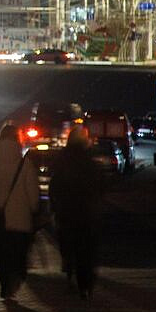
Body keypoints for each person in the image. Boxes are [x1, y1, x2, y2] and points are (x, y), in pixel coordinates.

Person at [0, 121, 40, 301]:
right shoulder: (24, 164)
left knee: (2, 254)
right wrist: (33, 208)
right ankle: (16, 280)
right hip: (21, 219)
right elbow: (33, 193)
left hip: (0, 217)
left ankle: (5, 286)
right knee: (19, 253)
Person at [47, 124, 107, 297]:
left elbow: (54, 185)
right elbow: (100, 185)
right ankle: (84, 283)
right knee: (85, 249)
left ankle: (70, 271)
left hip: (66, 212)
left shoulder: (62, 160)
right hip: (86, 213)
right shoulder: (89, 161)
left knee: (69, 245)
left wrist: (55, 205)